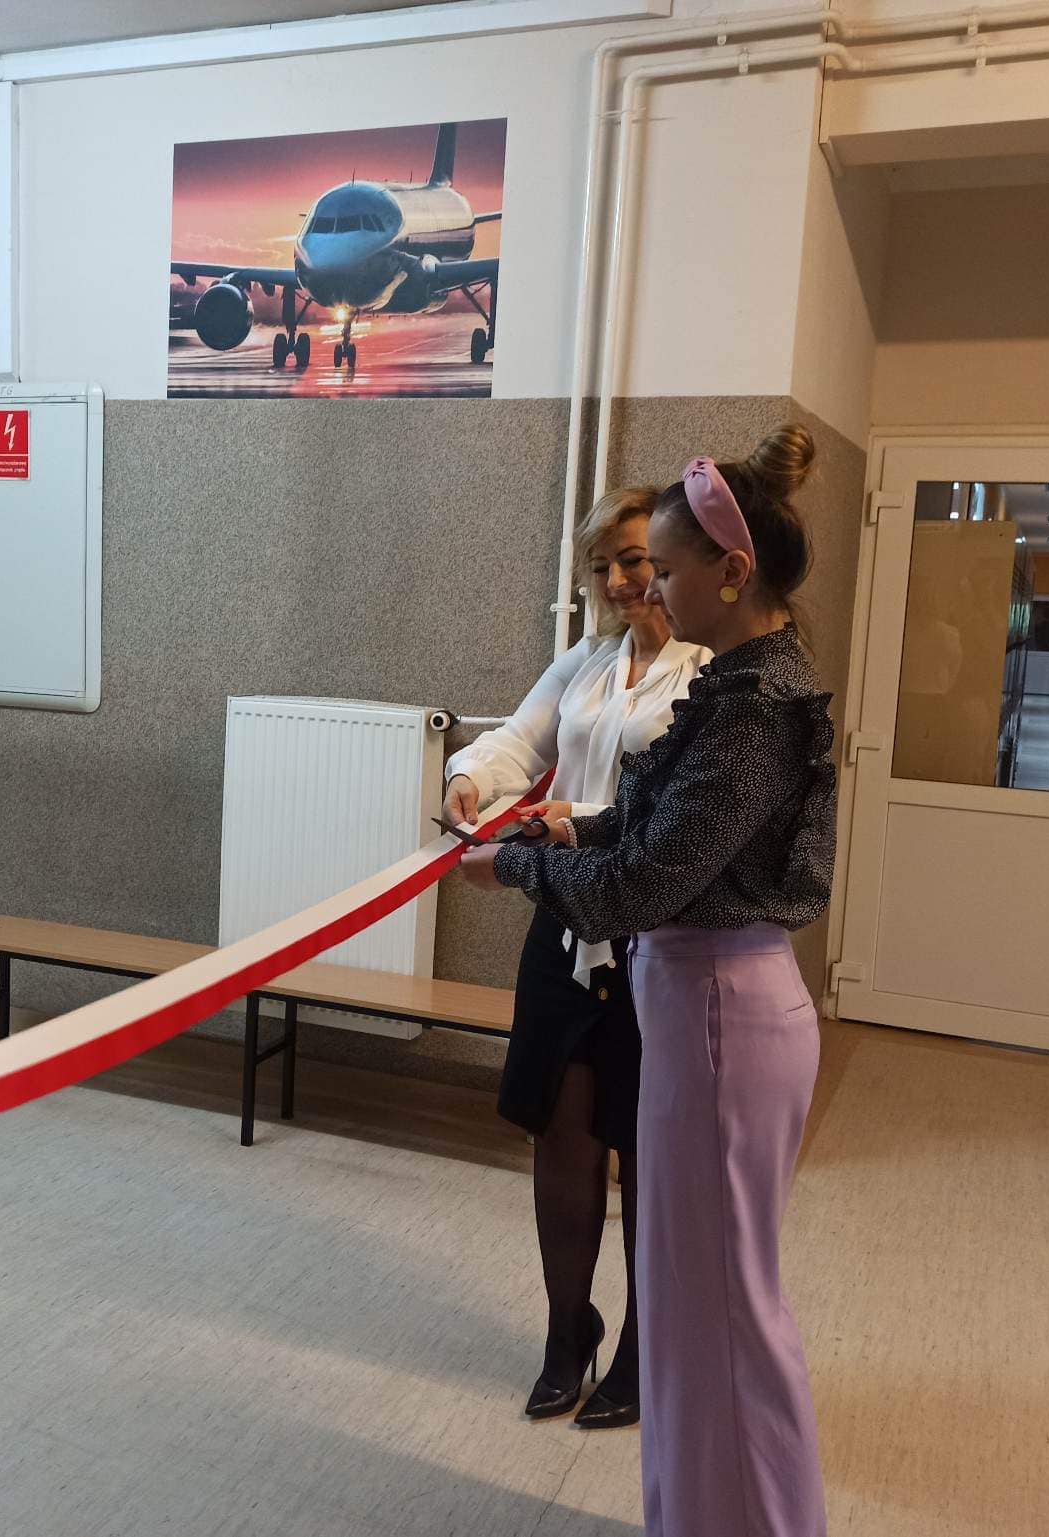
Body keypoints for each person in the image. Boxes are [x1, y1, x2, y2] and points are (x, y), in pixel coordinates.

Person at [458, 425, 835, 1535]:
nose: (649, 590)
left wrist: (517, 865)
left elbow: (641, 883)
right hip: (696, 1002)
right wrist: (557, 832)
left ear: (733, 571)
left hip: (721, 1012)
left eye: (663, 568)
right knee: (687, 1300)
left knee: (724, 1308)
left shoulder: (753, 710)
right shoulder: (737, 686)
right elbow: (650, 826)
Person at [443, 485, 710, 1430]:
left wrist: (573, 820)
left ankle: (642, 1344)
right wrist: (471, 777)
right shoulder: (587, 662)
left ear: (673, 561)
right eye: (603, 566)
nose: (621, 581)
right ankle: (569, 1330)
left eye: (635, 559)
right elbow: (518, 741)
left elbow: (665, 814)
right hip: (565, 933)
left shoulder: (708, 672)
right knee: (562, 1139)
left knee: (646, 1152)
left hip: (654, 944)